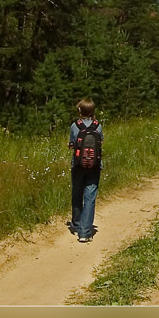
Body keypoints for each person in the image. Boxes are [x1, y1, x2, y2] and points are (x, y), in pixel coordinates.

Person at [67, 98, 102, 243]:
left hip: (78, 165)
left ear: (80, 111)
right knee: (90, 196)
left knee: (77, 193)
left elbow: (71, 144)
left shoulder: (75, 126)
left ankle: (76, 225)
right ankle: (85, 232)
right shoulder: (98, 126)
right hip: (95, 165)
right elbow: (101, 141)